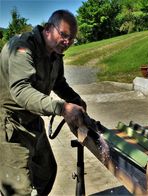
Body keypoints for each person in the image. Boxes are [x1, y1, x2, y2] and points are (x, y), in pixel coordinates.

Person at [0, 10, 87, 195]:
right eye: (63, 35)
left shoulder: (55, 53)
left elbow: (59, 83)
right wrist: (62, 108)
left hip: (32, 121)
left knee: (46, 173)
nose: (67, 42)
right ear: (48, 29)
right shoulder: (22, 48)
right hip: (9, 123)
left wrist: (76, 101)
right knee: (18, 189)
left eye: (71, 39)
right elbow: (21, 90)